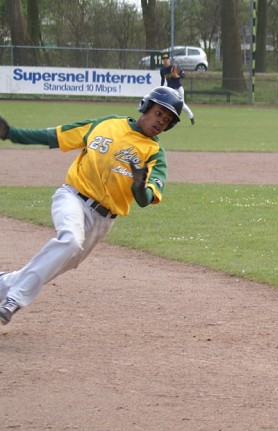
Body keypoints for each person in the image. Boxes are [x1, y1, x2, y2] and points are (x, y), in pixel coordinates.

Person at [0, 87, 183, 325]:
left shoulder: (155, 154)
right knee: (70, 240)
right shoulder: (107, 124)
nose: (161, 121)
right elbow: (55, 136)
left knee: (59, 262)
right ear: (145, 107)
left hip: (102, 221)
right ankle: (13, 300)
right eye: (159, 113)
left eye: (167, 120)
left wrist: (139, 186)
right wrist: (11, 133)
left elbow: (145, 199)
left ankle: (4, 284)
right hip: (73, 198)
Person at [160, 53, 196, 125]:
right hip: (170, 89)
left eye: (166, 59)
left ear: (169, 60)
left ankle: (191, 116)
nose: (165, 61)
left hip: (178, 88)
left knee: (182, 105)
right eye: (164, 59)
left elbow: (183, 75)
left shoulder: (174, 67)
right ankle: (170, 120)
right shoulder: (162, 70)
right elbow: (163, 80)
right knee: (168, 105)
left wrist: (178, 76)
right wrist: (161, 88)